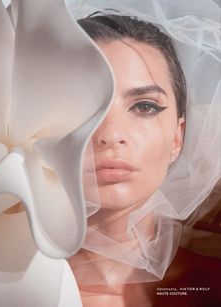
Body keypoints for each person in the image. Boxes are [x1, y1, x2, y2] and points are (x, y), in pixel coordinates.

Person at [67, 7, 221, 307]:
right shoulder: (0, 275)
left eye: (145, 107)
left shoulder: (211, 281)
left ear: (178, 136)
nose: (111, 135)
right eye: (84, 105)